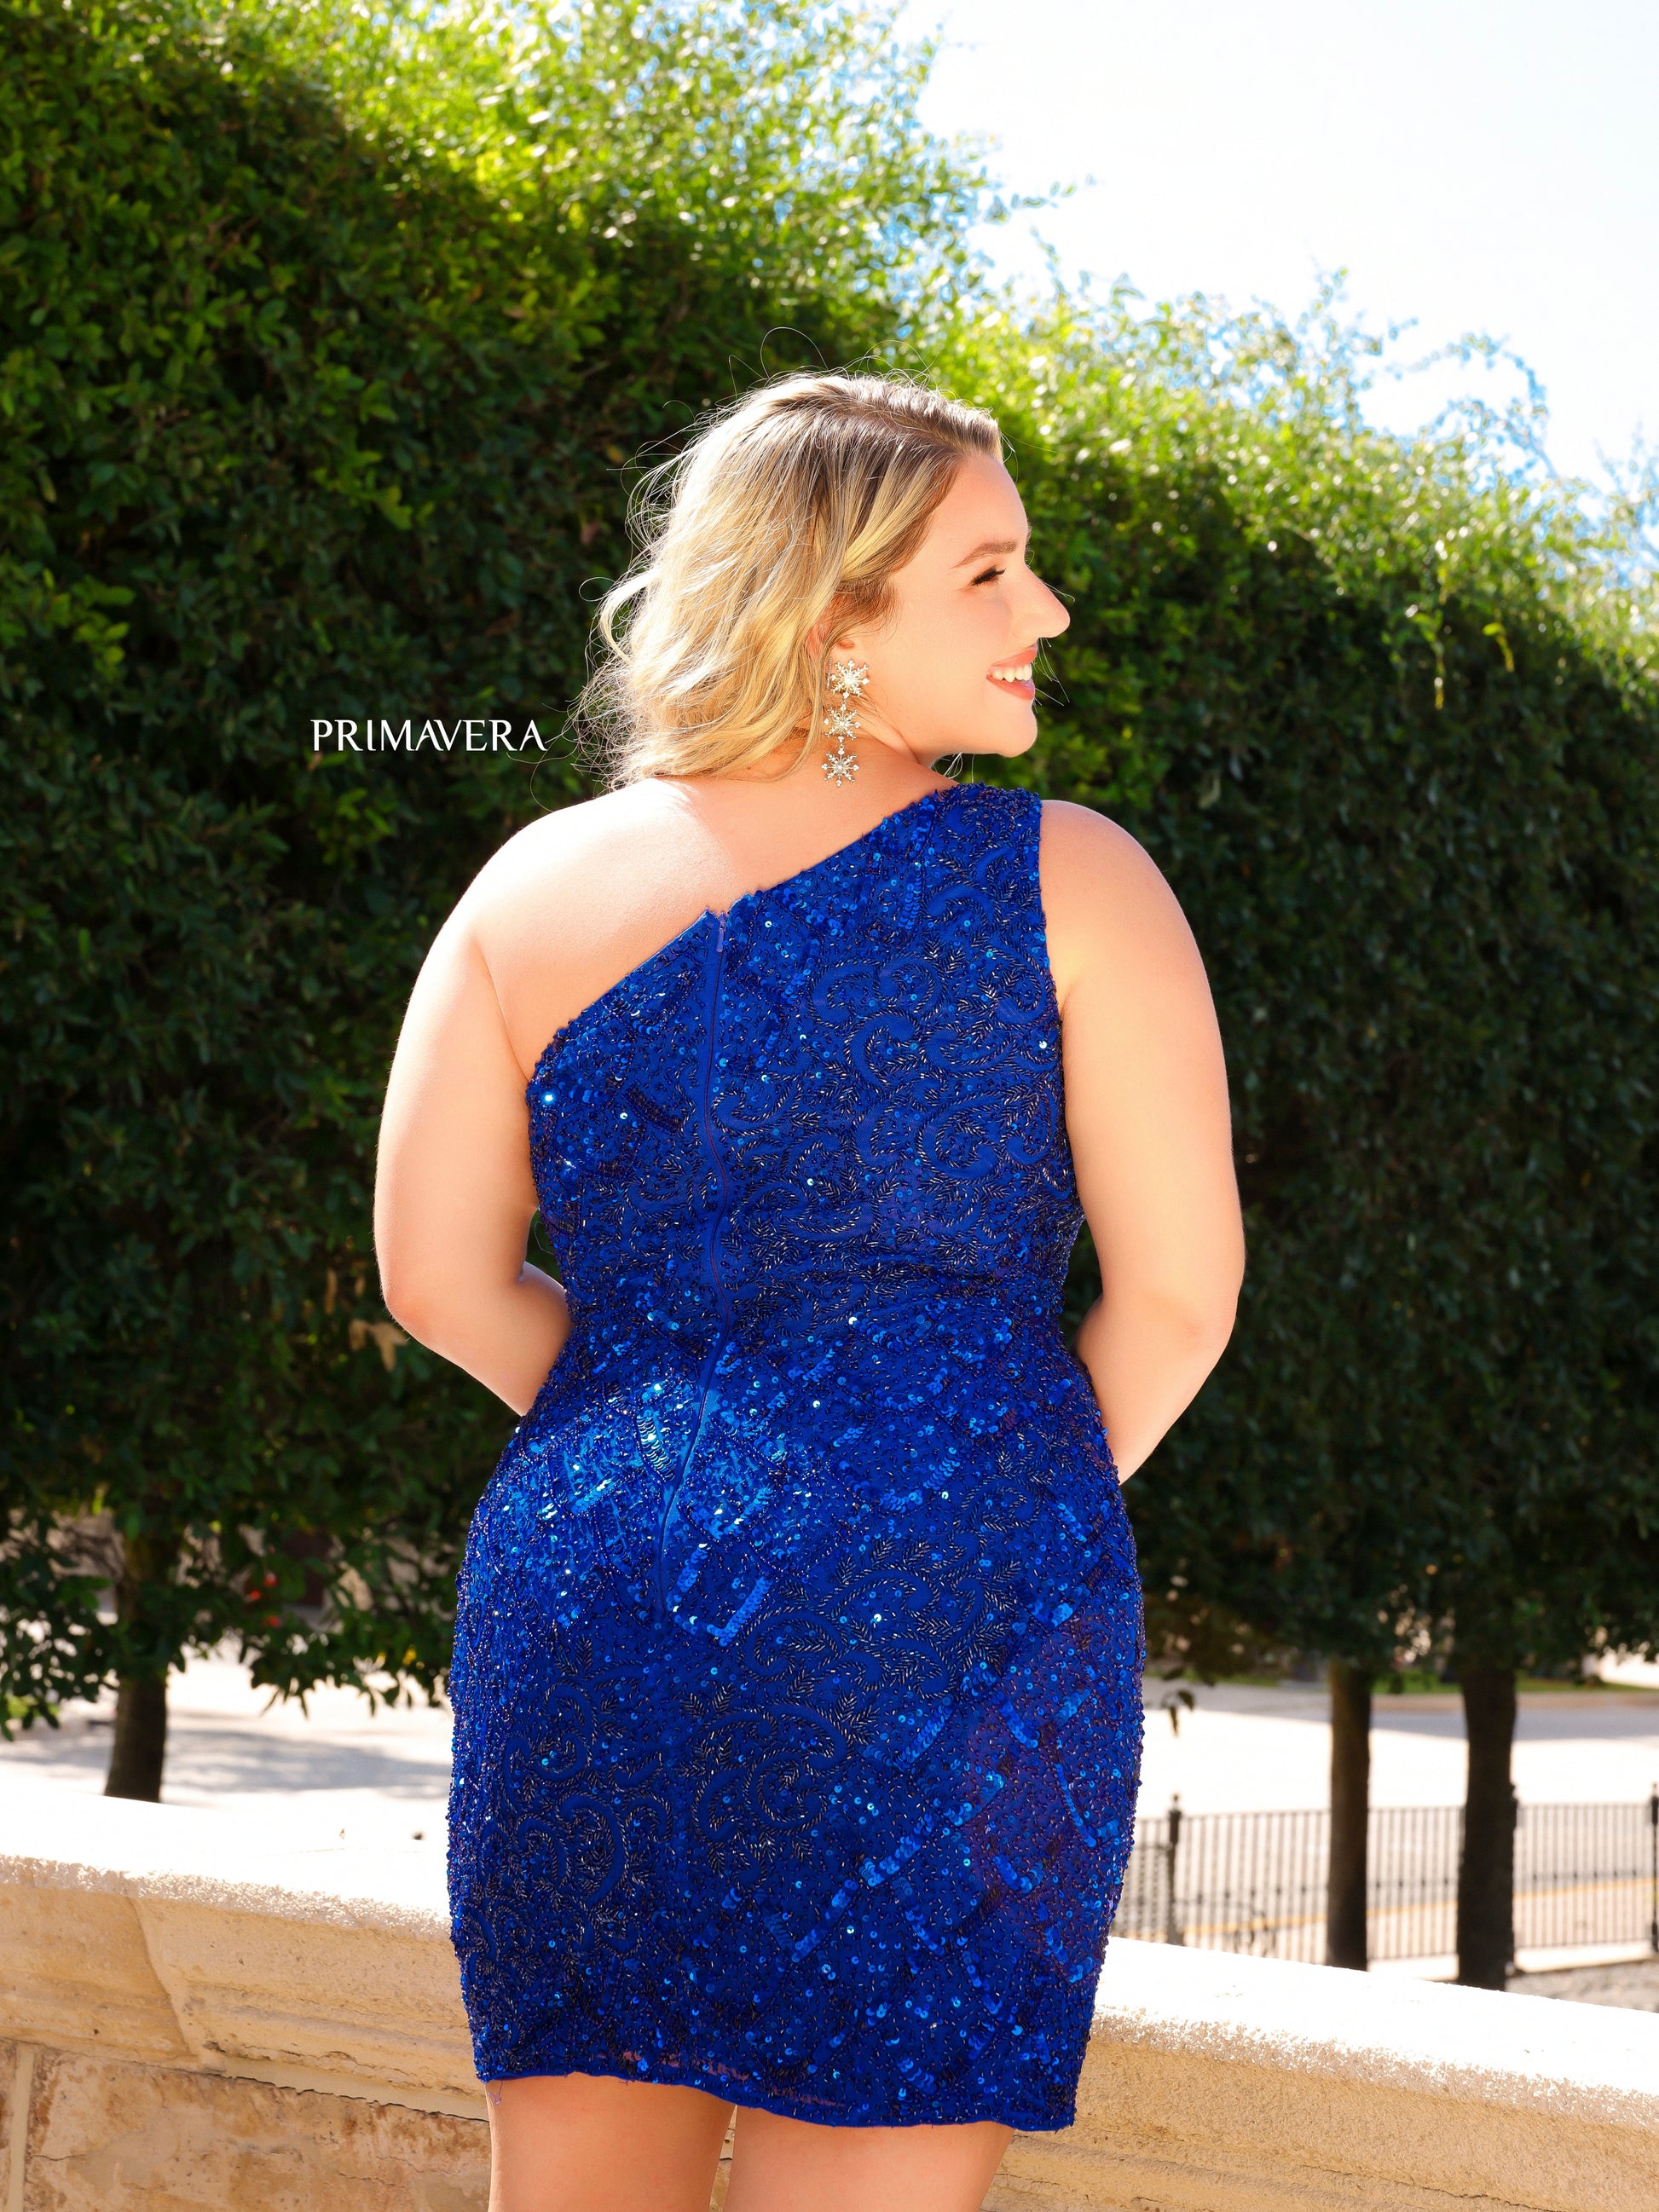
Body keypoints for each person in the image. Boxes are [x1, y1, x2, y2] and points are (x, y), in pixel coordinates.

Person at [374, 373, 1244, 2212]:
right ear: (834, 612)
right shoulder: (1071, 879)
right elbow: (1177, 1301)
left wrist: (661, 1433)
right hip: (948, 1609)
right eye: (989, 572)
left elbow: (433, 1278)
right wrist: (957, 1493)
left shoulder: (529, 885)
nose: (1045, 611)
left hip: (591, 1598)